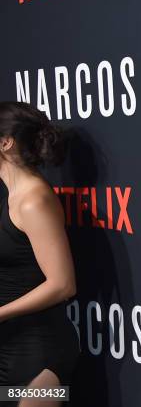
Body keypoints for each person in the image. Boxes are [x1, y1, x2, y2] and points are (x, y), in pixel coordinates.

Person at [0, 102, 79, 407]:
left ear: (6, 143)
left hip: (39, 358)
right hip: (7, 346)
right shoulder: (10, 195)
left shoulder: (34, 201)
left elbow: (63, 285)